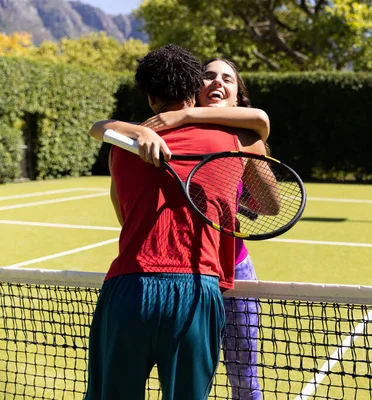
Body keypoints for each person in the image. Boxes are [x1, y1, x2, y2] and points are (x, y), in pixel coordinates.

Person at [85, 44, 269, 400]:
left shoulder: (121, 147)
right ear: (194, 92)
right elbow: (261, 128)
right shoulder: (238, 140)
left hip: (127, 290)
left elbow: (123, 213)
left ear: (151, 99)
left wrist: (139, 131)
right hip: (196, 291)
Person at [140, 58, 265, 400]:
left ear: (238, 97)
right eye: (208, 75)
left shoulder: (247, 136)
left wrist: (186, 115)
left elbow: (268, 206)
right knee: (192, 374)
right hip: (186, 273)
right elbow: (103, 128)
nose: (217, 82)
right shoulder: (163, 133)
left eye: (228, 78)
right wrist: (142, 130)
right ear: (194, 90)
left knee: (244, 373)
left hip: (235, 269)